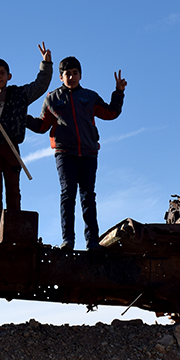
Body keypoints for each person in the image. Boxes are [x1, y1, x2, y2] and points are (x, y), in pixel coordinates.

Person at [28, 56, 126, 250]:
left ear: (80, 75)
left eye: (74, 73)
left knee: (88, 196)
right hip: (65, 153)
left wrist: (119, 92)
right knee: (68, 195)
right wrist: (22, 117)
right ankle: (68, 240)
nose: (71, 77)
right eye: (67, 74)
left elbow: (111, 113)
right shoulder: (52, 99)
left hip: (89, 153)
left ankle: (92, 241)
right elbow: (41, 125)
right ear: (60, 76)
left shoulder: (90, 96)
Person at [0, 43, 53, 239]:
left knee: (13, 190)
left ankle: (13, 233)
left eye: (2, 73)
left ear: (9, 76)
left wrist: (46, 64)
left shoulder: (19, 95)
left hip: (11, 146)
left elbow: (40, 85)